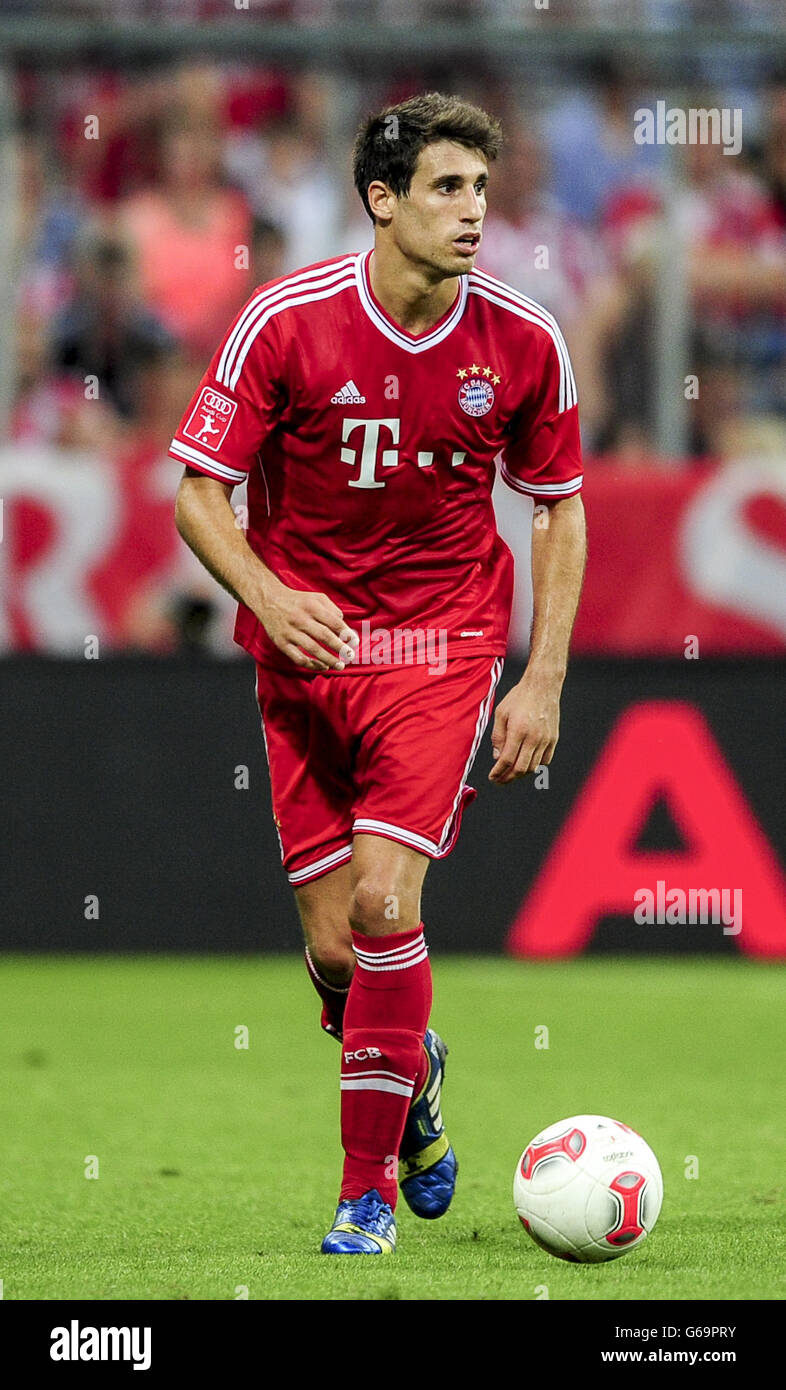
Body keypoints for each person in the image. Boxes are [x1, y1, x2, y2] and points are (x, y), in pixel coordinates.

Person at [171, 92, 587, 1255]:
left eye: (483, 192)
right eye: (448, 189)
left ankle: (364, 1196)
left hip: (441, 648)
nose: (472, 214)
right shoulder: (285, 323)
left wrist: (541, 678)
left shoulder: (523, 339)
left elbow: (559, 511)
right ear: (383, 199)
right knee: (334, 953)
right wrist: (268, 596)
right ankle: (415, 1073)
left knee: (384, 902)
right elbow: (198, 495)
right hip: (304, 652)